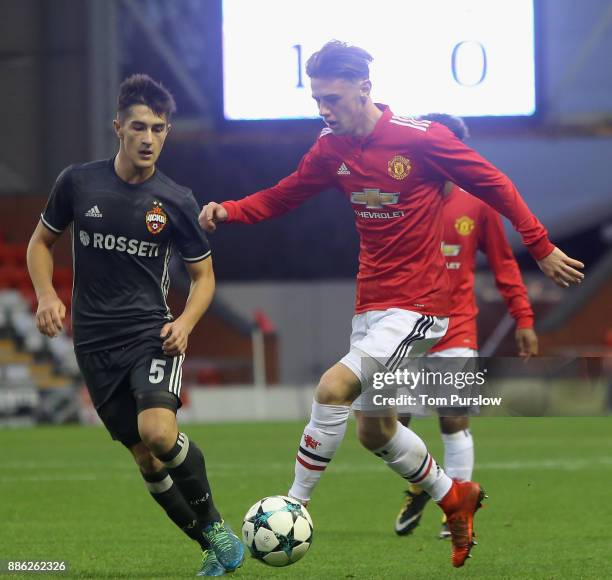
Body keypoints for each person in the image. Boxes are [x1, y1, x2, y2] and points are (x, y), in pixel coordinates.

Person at [199, 41, 584, 568]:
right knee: (373, 429)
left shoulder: (420, 140)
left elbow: (494, 183)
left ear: (365, 88)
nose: (323, 109)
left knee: (333, 389)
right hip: (372, 307)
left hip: (419, 307)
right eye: (317, 98)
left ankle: (294, 504)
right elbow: (286, 193)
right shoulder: (330, 148)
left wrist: (540, 246)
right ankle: (454, 496)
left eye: (332, 97)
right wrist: (231, 210)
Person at [27, 74, 244, 577]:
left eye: (160, 129)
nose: (150, 138)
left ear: (167, 133)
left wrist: (187, 321)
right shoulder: (78, 183)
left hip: (152, 333)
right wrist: (45, 295)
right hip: (94, 344)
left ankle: (216, 528)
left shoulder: (177, 200)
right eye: (139, 127)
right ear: (118, 128)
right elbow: (40, 243)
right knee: (145, 459)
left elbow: (203, 276)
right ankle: (210, 545)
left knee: (158, 432)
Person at [382, 113, 538, 539]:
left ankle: (457, 513)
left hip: (455, 328)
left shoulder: (478, 204)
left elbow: (505, 266)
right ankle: (421, 483)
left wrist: (523, 317)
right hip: (405, 326)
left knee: (453, 417)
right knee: (389, 421)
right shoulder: (400, 197)